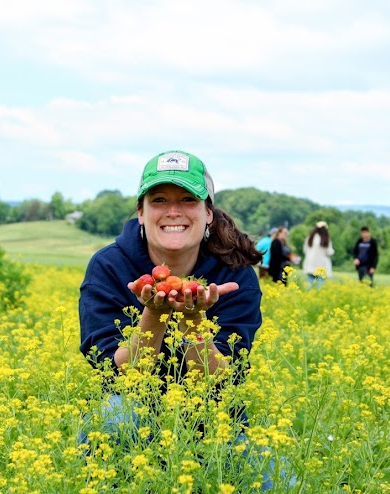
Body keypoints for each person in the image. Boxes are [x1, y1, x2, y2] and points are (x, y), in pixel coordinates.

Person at [78, 150, 293, 489]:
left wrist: (194, 318)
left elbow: (219, 378)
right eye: (159, 199)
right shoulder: (108, 267)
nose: (173, 212)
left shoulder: (235, 274)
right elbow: (117, 374)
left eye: (188, 199)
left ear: (208, 212)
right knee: (116, 420)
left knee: (280, 481)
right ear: (141, 212)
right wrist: (155, 313)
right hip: (130, 414)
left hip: (214, 419)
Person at [302, 220, 335, 287]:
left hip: (310, 264)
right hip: (322, 265)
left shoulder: (310, 237)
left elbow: (305, 250)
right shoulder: (326, 239)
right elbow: (330, 252)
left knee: (310, 285)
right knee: (319, 286)